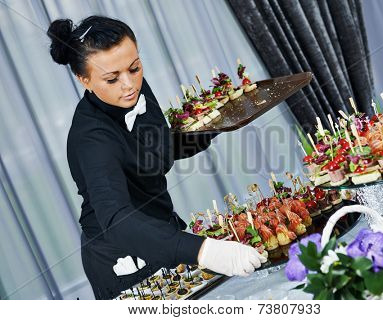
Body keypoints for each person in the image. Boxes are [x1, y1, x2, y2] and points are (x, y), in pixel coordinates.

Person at [46, 15, 266, 300]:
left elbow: (157, 147)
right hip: (123, 258)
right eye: (112, 78)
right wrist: (204, 250)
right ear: (83, 79)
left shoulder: (134, 90)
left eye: (135, 68)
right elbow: (116, 220)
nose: (129, 85)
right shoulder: (91, 139)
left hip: (164, 234)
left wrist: (220, 121)